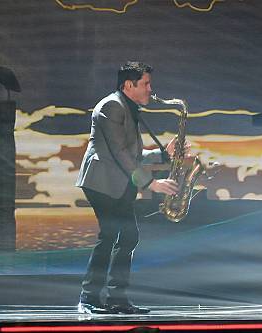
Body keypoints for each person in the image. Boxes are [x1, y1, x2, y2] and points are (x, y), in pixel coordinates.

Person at [75, 61, 187, 314]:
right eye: (146, 83)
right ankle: (88, 298)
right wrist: (152, 184)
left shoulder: (128, 107)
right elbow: (119, 154)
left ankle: (117, 299)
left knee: (128, 236)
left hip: (119, 182)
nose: (150, 89)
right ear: (129, 85)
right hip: (101, 181)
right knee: (110, 236)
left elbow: (133, 155)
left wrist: (163, 153)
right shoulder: (112, 106)